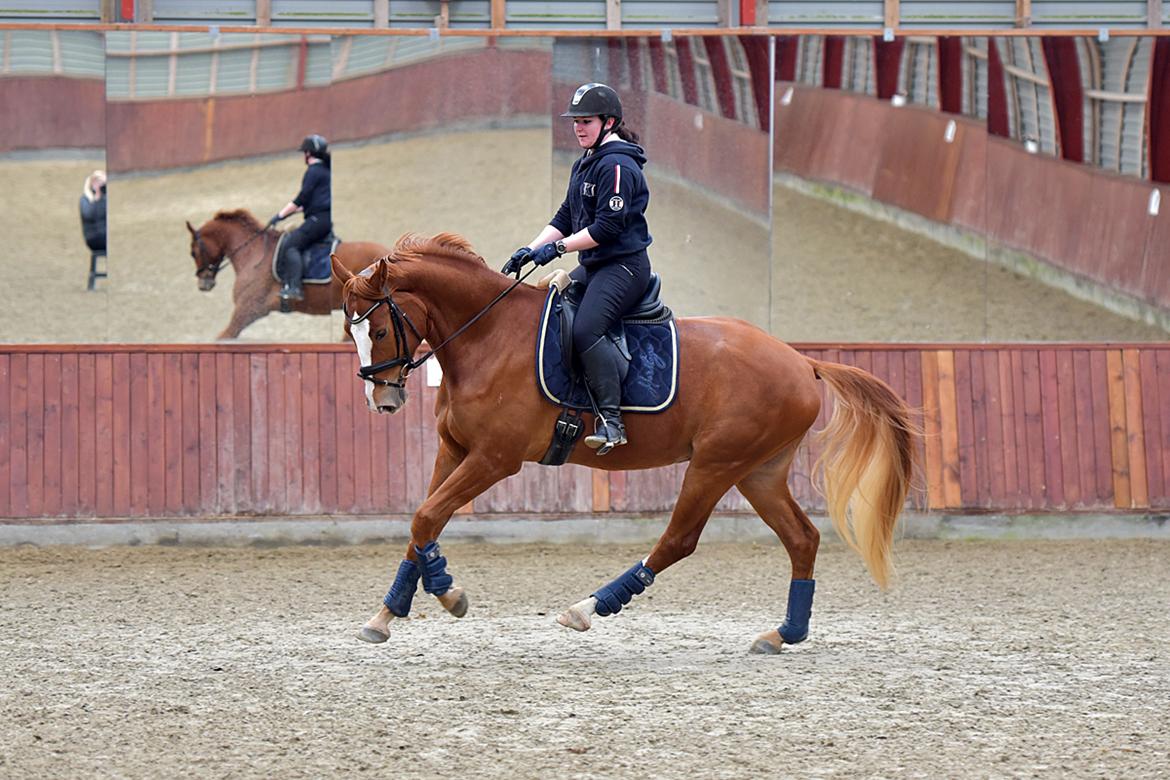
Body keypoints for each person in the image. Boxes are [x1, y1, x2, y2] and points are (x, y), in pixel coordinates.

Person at [504, 83, 652, 456]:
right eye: (575, 122)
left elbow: (608, 228)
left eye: (585, 121)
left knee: (586, 329)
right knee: (549, 313)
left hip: (624, 268)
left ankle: (612, 421)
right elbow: (567, 216)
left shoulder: (618, 165)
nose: (578, 128)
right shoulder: (585, 161)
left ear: (609, 122)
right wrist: (530, 248)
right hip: (596, 266)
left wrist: (556, 250)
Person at [269, 134, 332, 302]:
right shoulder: (326, 171)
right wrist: (295, 211)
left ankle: (294, 287)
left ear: (308, 154)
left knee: (291, 245)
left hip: (317, 220)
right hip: (325, 218)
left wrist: (279, 216)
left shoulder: (313, 172)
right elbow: (312, 202)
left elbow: (301, 199)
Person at [79, 169, 107, 253]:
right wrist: (95, 200)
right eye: (99, 181)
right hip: (95, 238)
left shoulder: (105, 198)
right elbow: (89, 215)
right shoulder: (86, 199)